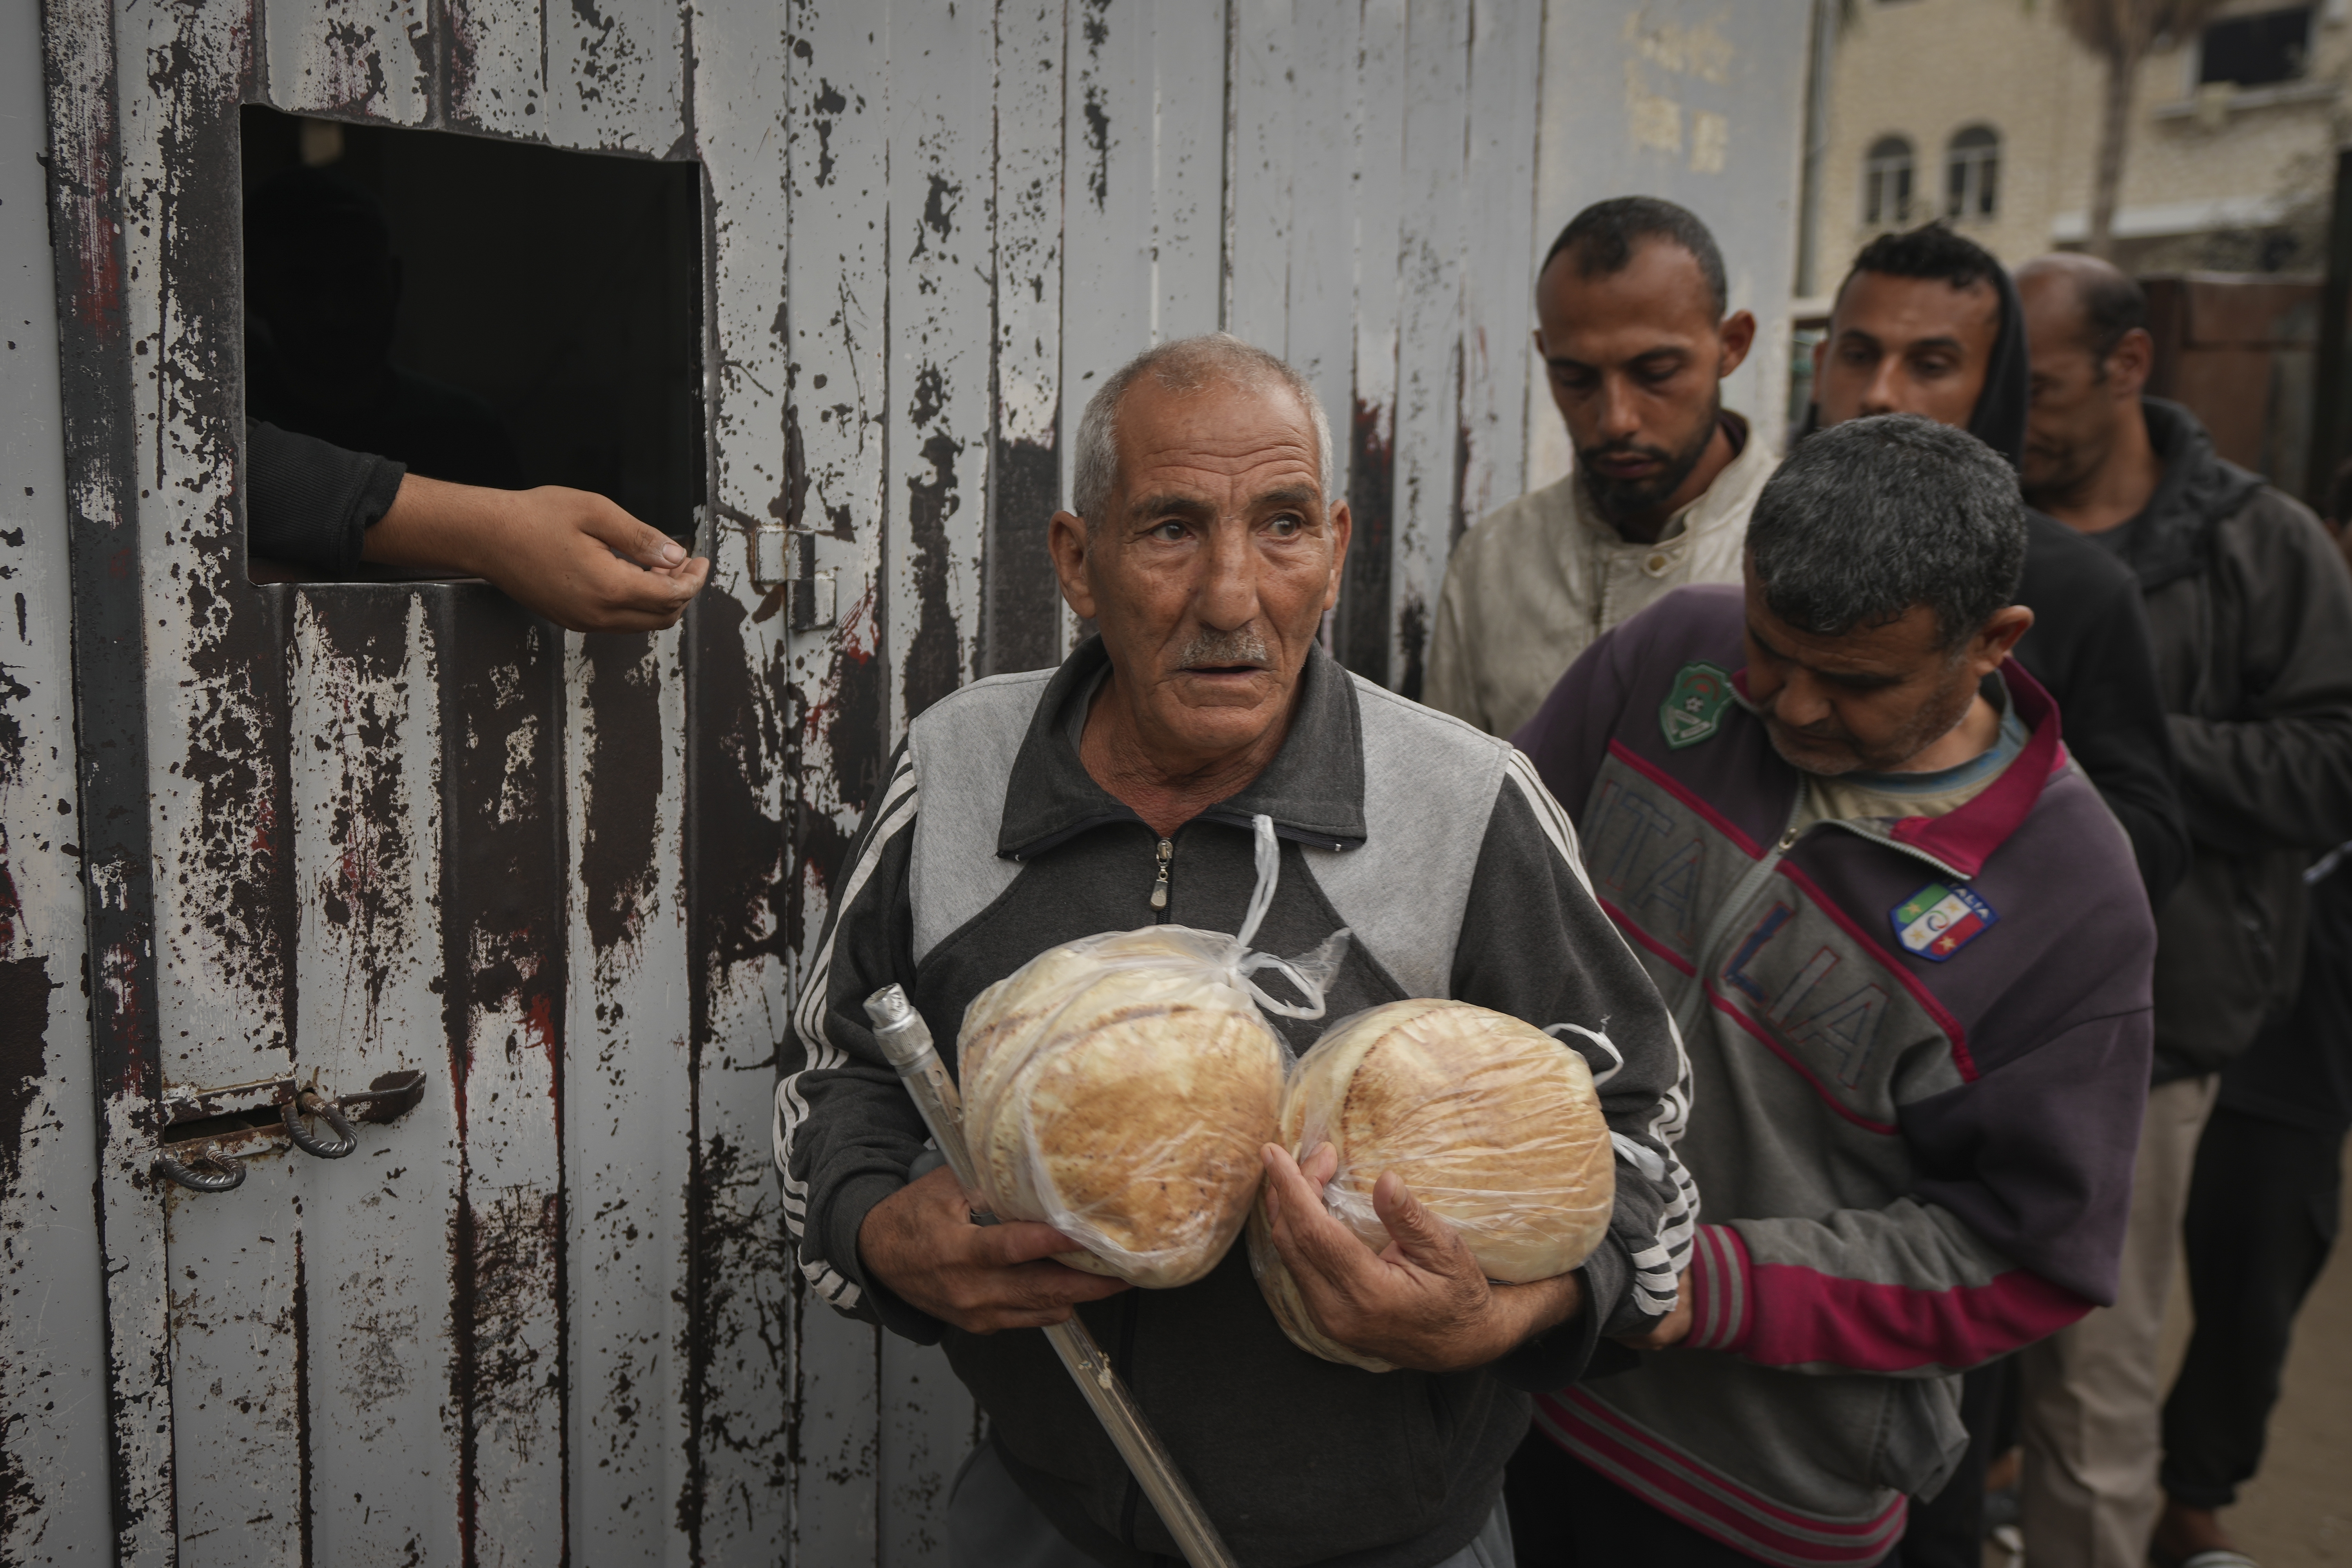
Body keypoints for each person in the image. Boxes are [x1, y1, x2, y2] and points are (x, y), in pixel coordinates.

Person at [774, 333, 1696, 1568]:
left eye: (1279, 527)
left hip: (1392, 1543)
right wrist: (879, 1233)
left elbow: (1642, 1143)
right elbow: (836, 1079)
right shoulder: (958, 766)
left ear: (1335, 550)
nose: (1230, 596)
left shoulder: (1466, 803)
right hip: (1044, 1516)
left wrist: (1491, 1318)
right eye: (1166, 529)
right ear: (1076, 562)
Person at [1509, 414, 2155, 1568]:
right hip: (1509, 1388)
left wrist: (1695, 1288)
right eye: (1771, 649)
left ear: (1991, 641)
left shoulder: (2073, 903)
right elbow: (1490, 894)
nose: (1792, 707)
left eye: (1854, 681)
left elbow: (2022, 1255)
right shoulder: (1667, 658)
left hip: (1757, 1493)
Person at [2010, 252, 2352, 1568]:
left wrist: (2118, 746)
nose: (2012, 416)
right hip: (1971, 1012)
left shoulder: (2258, 544)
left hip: (2164, 1026)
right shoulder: (1983, 526)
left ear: (2131, 368)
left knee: (2100, 1385)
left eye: (2036, 387)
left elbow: (2330, 767)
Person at [1808, 223, 2187, 905]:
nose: (1880, 394)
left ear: (1994, 390)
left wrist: (1974, 758)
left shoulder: (2081, 589)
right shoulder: (1756, 545)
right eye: (1859, 354)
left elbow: (2148, 847)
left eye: (1931, 365)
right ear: (1819, 366)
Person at [1426, 197, 1772, 739]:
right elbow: (1451, 799)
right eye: (1576, 379)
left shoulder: (1810, 552)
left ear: (1732, 346)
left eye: (1655, 372)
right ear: (1545, 355)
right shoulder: (1492, 562)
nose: (1616, 420)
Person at [245, 419, 709, 633]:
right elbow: (209, 468)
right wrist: (492, 534)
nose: (331, 310)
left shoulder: (465, 425)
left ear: (393, 283)